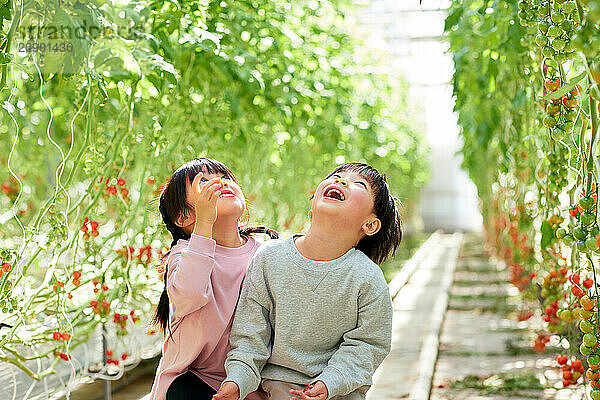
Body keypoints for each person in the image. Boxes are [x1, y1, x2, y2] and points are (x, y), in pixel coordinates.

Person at [213, 162, 401, 400]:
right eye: (337, 176)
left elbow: (368, 345)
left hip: (339, 391)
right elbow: (251, 334)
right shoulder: (269, 258)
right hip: (276, 388)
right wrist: (238, 380)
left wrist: (329, 382)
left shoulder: (368, 278)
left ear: (370, 225)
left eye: (358, 184)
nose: (341, 181)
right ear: (312, 207)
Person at [149, 158, 277, 400]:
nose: (220, 183)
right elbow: (191, 294)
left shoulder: (266, 253)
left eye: (225, 177)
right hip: (191, 379)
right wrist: (205, 224)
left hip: (248, 382)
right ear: (184, 218)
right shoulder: (184, 254)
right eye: (204, 181)